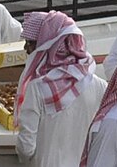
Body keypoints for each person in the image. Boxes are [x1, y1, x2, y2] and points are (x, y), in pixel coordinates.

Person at [14, 11, 105, 167]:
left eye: (30, 43)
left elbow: (26, 147)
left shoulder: (37, 88)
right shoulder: (100, 86)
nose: (26, 49)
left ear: (46, 45)